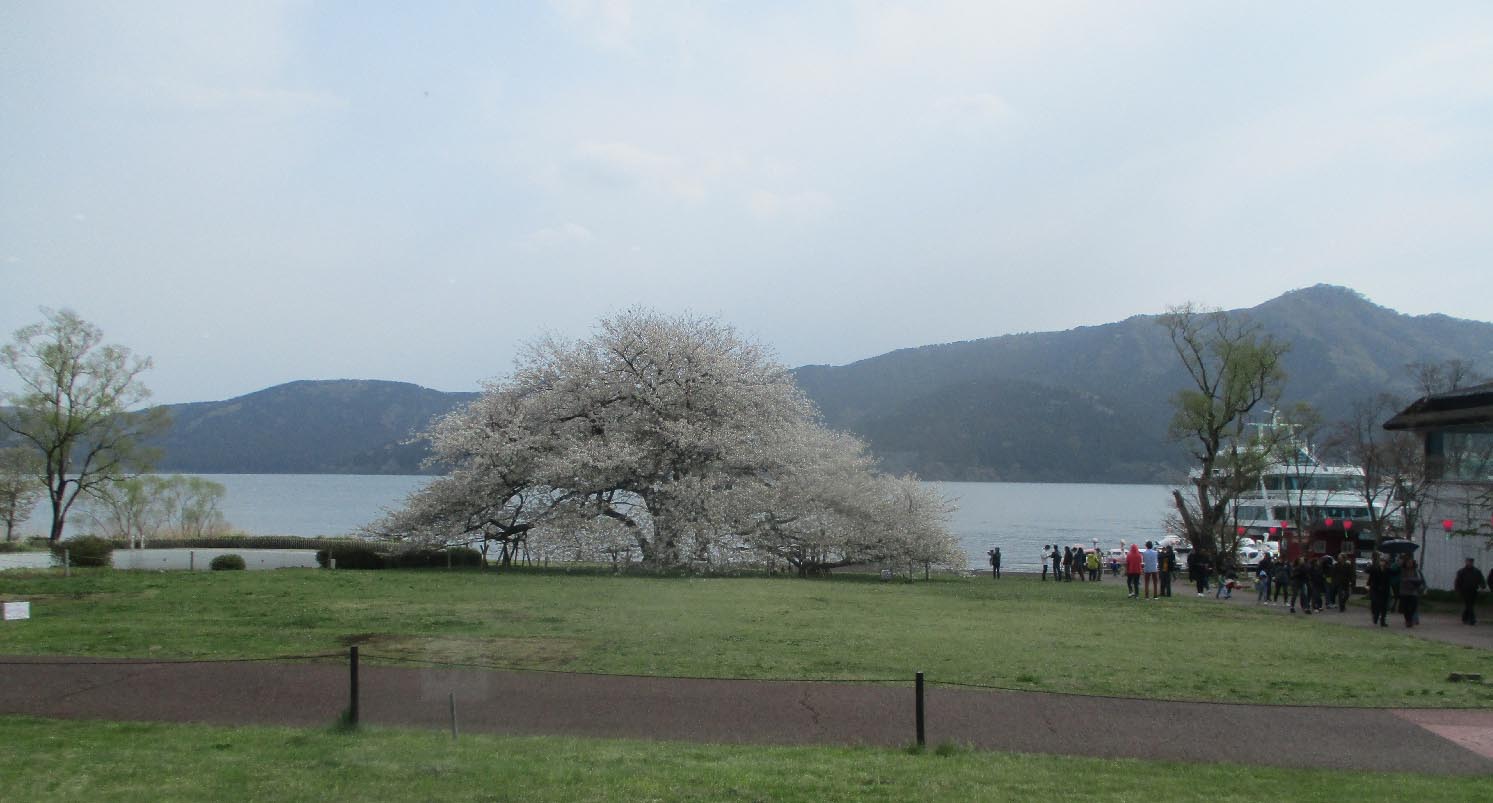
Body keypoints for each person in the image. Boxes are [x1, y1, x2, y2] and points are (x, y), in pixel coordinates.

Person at [1454, 558, 1487, 626]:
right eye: (1468, 562)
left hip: (1474, 591)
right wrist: (1457, 590)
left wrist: (1482, 586)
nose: (1469, 563)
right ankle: (1472, 619)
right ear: (1466, 562)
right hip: (1464, 591)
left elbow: (1481, 579)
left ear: (1472, 563)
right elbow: (1457, 582)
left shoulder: (1477, 571)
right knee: (1469, 605)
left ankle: (1464, 617)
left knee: (1470, 605)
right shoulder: (1461, 571)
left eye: (1471, 562)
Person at [1399, 556, 1425, 628]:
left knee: (1413, 606)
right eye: (1408, 563)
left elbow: (1420, 580)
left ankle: (1410, 619)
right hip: (1404, 592)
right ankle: (1408, 620)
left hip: (1413, 592)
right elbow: (1402, 579)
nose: (1409, 564)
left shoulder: (1416, 571)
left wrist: (1410, 579)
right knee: (1405, 607)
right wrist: (1411, 579)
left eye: (1411, 562)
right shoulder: (1403, 571)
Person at [1366, 555, 1391, 628]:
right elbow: (1367, 571)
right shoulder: (1375, 569)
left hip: (1384, 590)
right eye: (1381, 561)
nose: (1382, 562)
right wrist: (1371, 565)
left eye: (1384, 561)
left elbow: (1393, 575)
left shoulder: (1388, 570)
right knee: (1375, 603)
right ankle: (1375, 616)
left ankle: (1383, 621)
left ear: (1386, 562)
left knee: (1384, 606)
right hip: (1375, 589)